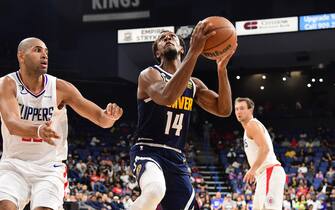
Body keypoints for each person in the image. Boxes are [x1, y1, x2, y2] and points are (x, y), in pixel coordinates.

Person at [0, 37, 123, 210]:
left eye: (46, 52)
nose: (44, 55)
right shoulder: (7, 84)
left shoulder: (60, 87)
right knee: (5, 206)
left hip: (49, 167)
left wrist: (110, 116)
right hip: (14, 164)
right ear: (21, 56)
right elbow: (12, 123)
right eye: (37, 50)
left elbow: (101, 119)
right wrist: (39, 130)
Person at [129, 20, 237, 210]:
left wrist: (222, 70)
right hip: (148, 150)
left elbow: (224, 109)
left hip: (176, 157)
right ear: (157, 52)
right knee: (154, 190)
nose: (168, 37)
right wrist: (194, 52)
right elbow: (167, 96)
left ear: (180, 49)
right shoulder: (149, 74)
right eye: (162, 39)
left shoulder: (193, 84)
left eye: (172, 37)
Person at [234, 97, 286, 210]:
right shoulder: (249, 127)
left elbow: (265, 149)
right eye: (236, 109)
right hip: (264, 174)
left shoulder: (251, 125)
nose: (238, 111)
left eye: (242, 108)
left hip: (269, 171)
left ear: (250, 110)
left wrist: (252, 170)